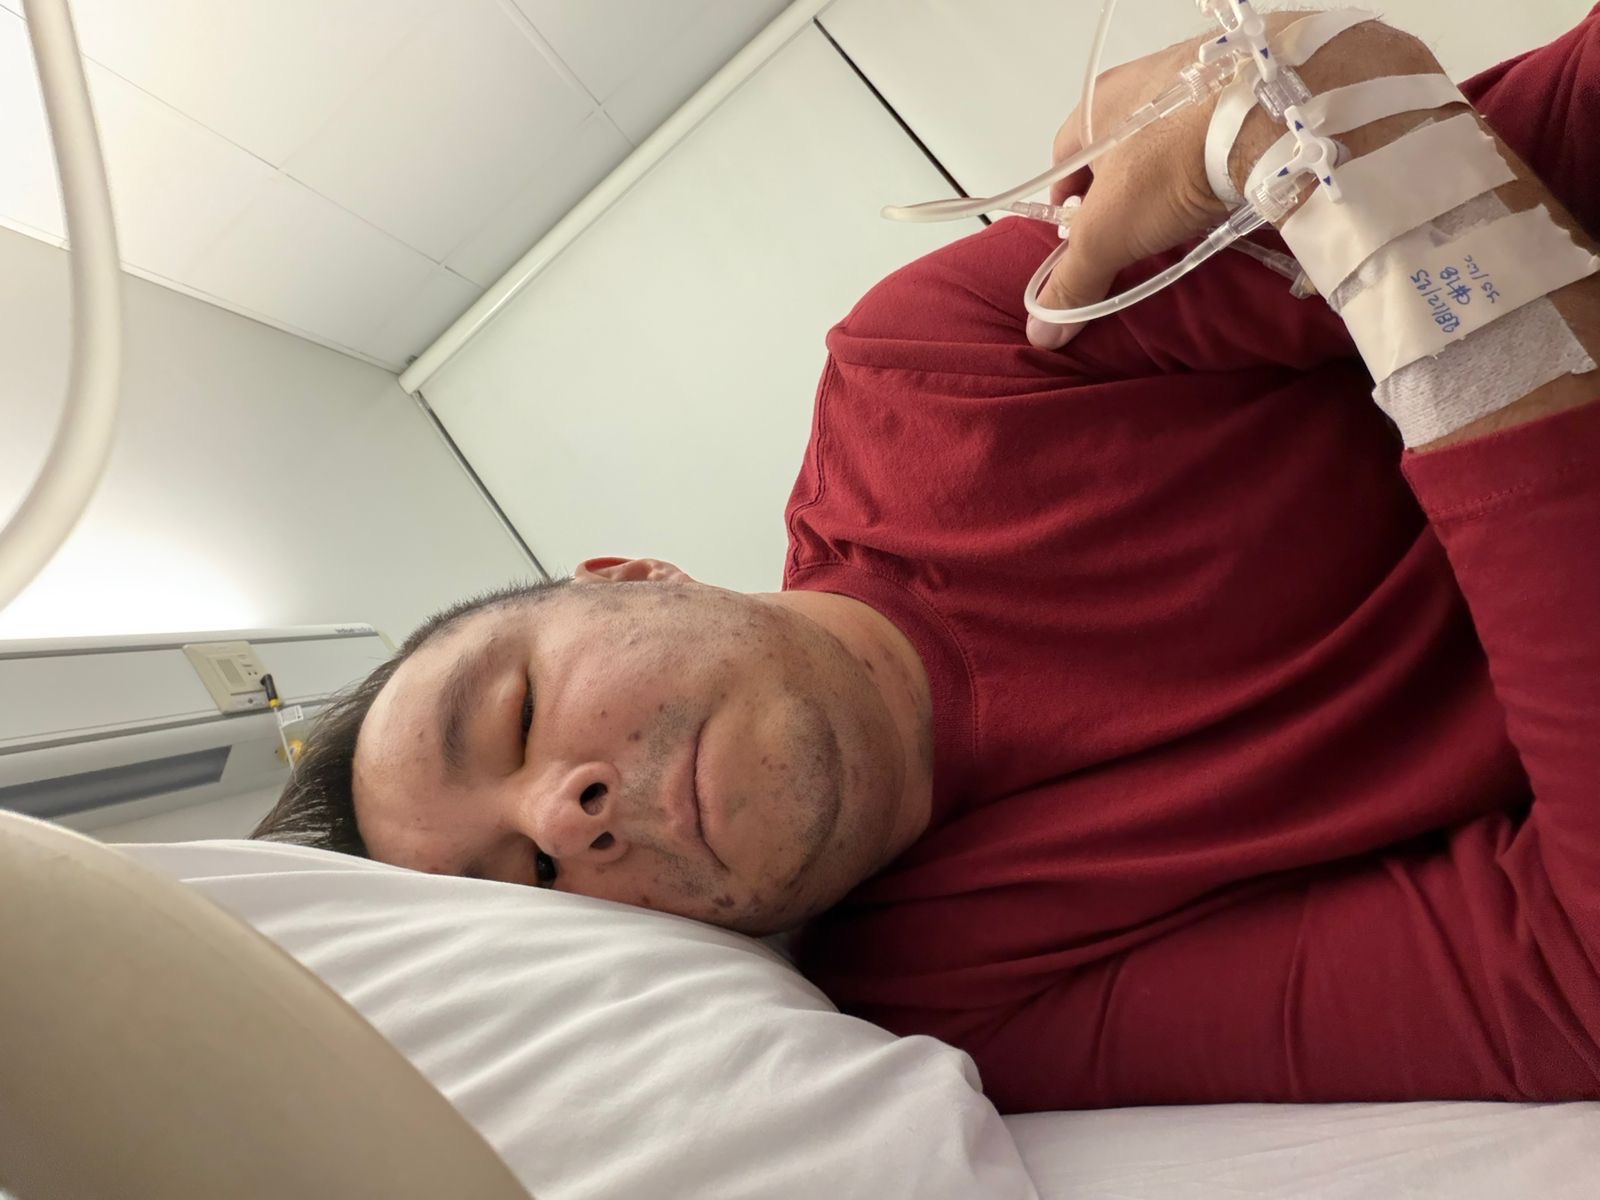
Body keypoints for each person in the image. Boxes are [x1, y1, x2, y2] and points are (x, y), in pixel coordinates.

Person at [253, 9, 1600, 1111]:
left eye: (516, 715)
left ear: (630, 576)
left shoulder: (927, 372)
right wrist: (1379, 188)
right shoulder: (956, 994)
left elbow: (1459, 143)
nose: (563, 820)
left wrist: (1320, 138)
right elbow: (1570, 976)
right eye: (531, 885)